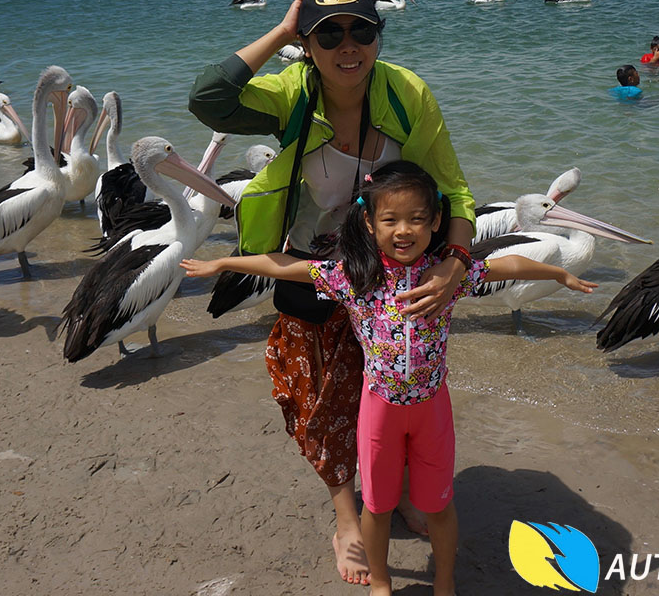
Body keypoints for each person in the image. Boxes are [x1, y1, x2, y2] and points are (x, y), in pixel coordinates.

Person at [181, 162, 596, 596]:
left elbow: (506, 265)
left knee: (439, 506)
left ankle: (444, 583)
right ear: (368, 221)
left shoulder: (444, 279)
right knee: (376, 508)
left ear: (436, 221)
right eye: (391, 220)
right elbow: (287, 266)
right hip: (379, 412)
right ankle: (381, 585)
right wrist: (223, 261)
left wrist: (559, 274)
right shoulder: (354, 277)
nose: (404, 230)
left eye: (417, 219)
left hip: (433, 410)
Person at [188, 0, 480, 586]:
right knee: (322, 397)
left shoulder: (406, 93)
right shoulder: (291, 91)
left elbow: (451, 188)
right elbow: (209, 99)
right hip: (314, 261)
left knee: (392, 389)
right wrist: (280, 33)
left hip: (388, 268)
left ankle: (398, 495)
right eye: (329, 35)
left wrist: (454, 259)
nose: (348, 47)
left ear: (378, 34)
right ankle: (347, 516)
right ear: (309, 42)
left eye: (361, 31)